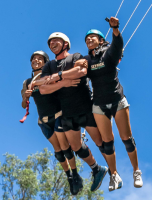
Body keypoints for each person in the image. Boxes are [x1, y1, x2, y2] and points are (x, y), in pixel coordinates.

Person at [35, 32, 108, 194]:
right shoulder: (49, 66)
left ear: (65, 44)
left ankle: (114, 172)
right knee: (76, 147)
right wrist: (64, 83)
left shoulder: (75, 56)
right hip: (68, 112)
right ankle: (97, 169)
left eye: (56, 41)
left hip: (85, 107)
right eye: (50, 42)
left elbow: (80, 72)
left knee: (101, 142)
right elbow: (42, 88)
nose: (52, 44)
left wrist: (57, 77)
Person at [83, 17, 144, 190]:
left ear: (101, 40)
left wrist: (115, 28)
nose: (89, 39)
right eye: (87, 39)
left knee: (126, 139)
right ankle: (114, 175)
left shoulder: (109, 53)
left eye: (92, 37)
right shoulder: (87, 61)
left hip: (117, 100)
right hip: (99, 104)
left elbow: (117, 45)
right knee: (107, 143)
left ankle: (136, 171)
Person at [21, 50, 81, 191]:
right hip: (43, 121)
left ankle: (75, 173)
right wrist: (26, 97)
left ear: (45, 62)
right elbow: (24, 105)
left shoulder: (50, 76)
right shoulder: (27, 82)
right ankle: (69, 176)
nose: (36, 61)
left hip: (58, 115)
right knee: (58, 151)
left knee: (65, 147)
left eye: (39, 59)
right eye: (34, 59)